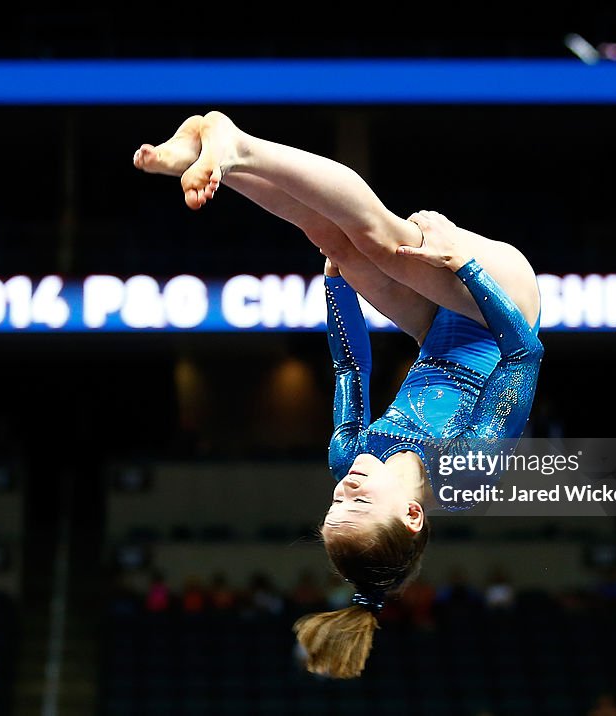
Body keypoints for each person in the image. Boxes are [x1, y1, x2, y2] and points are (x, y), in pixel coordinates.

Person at [134, 111, 543, 678]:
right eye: (359, 504)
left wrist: (336, 288)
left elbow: (350, 366)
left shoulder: (350, 459)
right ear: (413, 514)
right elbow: (524, 353)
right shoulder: (464, 472)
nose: (345, 489)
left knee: (335, 241)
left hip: (435, 329)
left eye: (336, 505)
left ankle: (220, 161)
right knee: (378, 240)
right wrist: (466, 266)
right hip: (504, 304)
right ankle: (235, 145)